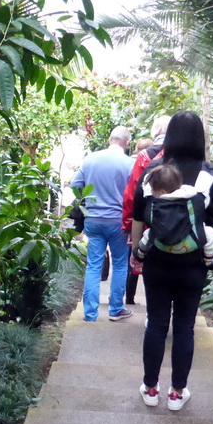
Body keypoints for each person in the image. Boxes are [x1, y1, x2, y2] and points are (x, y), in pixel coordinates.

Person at [130, 111, 213, 411]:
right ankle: (176, 393)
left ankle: (150, 388)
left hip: (158, 261)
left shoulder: (153, 171)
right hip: (194, 264)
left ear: (170, 136)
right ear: (201, 138)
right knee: (185, 326)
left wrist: (137, 254)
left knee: (156, 324)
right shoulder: (211, 176)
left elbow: (138, 217)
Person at [71, 126, 135, 322]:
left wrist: (89, 201)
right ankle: (116, 309)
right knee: (120, 264)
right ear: (127, 143)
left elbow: (75, 185)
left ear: (110, 139)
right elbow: (134, 194)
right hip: (118, 221)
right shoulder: (129, 164)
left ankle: (90, 313)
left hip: (93, 220)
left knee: (94, 265)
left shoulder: (90, 159)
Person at [122, 116, 171, 303]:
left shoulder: (145, 156)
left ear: (155, 130)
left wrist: (129, 226)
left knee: (140, 258)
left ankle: (133, 298)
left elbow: (133, 194)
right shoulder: (181, 154)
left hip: (149, 220)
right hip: (179, 222)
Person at [132, 163, 213, 268]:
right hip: (190, 243)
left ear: (162, 192)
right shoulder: (189, 195)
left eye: (153, 191)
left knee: (148, 233)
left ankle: (140, 253)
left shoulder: (156, 204)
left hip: (161, 245)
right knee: (209, 233)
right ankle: (209, 259)